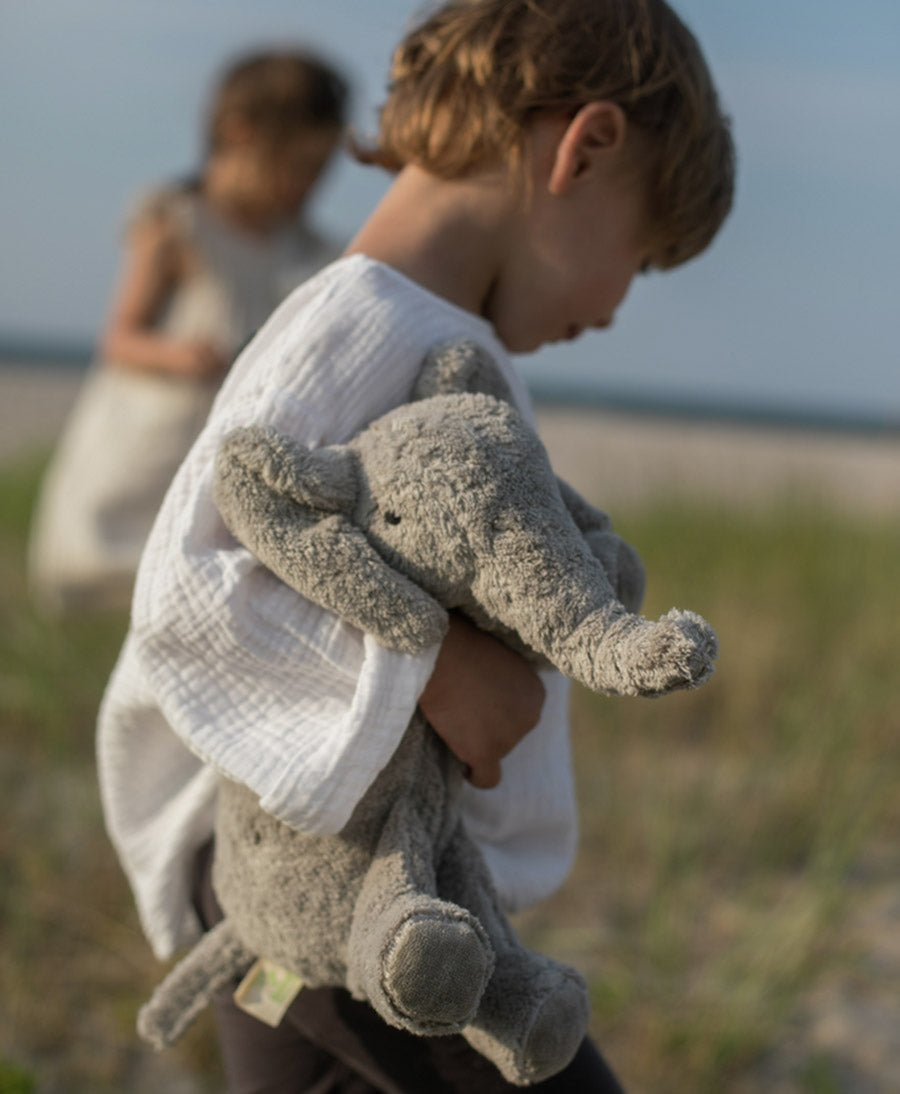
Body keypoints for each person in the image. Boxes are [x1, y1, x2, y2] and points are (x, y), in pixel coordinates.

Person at [98, 1, 735, 1090]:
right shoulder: (361, 317)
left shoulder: (431, 332)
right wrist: (435, 667)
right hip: (328, 873)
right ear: (585, 149)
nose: (620, 307)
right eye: (642, 254)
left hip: (347, 862)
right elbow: (188, 592)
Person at [28, 49, 349, 614]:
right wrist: (181, 357)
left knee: (195, 569)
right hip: (150, 434)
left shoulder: (306, 248)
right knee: (109, 569)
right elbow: (120, 336)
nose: (304, 186)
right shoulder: (179, 220)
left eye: (318, 171)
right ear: (238, 133)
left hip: (226, 440)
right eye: (294, 166)